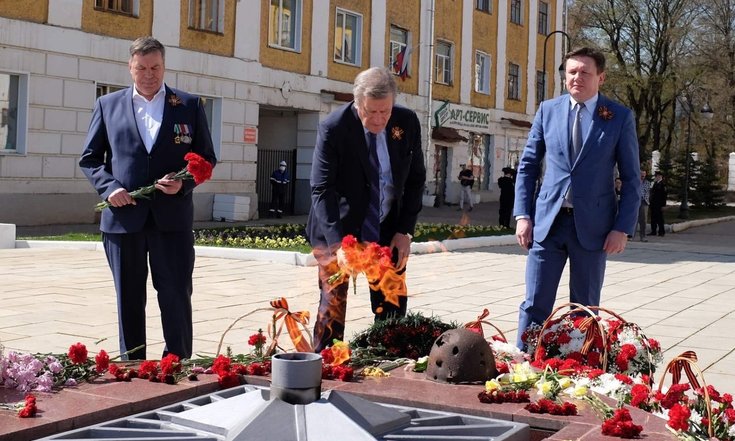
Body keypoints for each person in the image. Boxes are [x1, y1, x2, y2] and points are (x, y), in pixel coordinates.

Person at [79, 36, 217, 360]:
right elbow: (90, 159)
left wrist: (183, 185)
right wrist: (109, 188)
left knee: (175, 294)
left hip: (172, 220)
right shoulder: (107, 105)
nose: (149, 74)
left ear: (164, 66)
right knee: (128, 297)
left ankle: (177, 362)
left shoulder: (190, 105)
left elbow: (206, 159)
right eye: (141, 67)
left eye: (155, 67)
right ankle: (134, 365)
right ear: (130, 68)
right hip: (123, 220)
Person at [513, 47, 640, 349]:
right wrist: (523, 215)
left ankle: (579, 365)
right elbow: (528, 166)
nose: (577, 78)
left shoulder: (618, 117)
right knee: (534, 303)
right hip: (548, 224)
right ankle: (523, 361)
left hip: (594, 228)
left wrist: (622, 228)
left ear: (601, 77)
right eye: (571, 72)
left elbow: (633, 178)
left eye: (585, 72)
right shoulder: (548, 110)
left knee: (584, 308)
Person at [306, 66, 426, 352]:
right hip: (338, 226)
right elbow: (321, 188)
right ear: (357, 102)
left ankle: (385, 360)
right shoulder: (334, 127)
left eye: (384, 112)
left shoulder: (406, 122)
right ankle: (325, 363)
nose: (378, 119)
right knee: (333, 302)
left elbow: (416, 179)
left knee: (392, 302)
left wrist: (404, 231)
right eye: (371, 112)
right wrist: (339, 245)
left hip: (386, 226)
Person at [650, 170, 667, 236]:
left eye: (658, 176)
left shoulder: (663, 184)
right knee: (653, 218)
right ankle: (653, 231)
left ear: (660, 176)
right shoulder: (655, 183)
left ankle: (661, 231)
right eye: (656, 176)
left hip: (659, 204)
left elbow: (664, 195)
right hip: (654, 204)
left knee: (660, 218)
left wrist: (663, 205)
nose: (656, 177)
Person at [636, 169, 651, 242]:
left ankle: (643, 236)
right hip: (635, 202)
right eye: (642, 174)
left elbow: (648, 192)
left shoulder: (647, 183)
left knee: (643, 220)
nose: (643, 175)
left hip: (644, 202)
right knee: (634, 218)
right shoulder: (635, 181)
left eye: (644, 174)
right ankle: (630, 235)